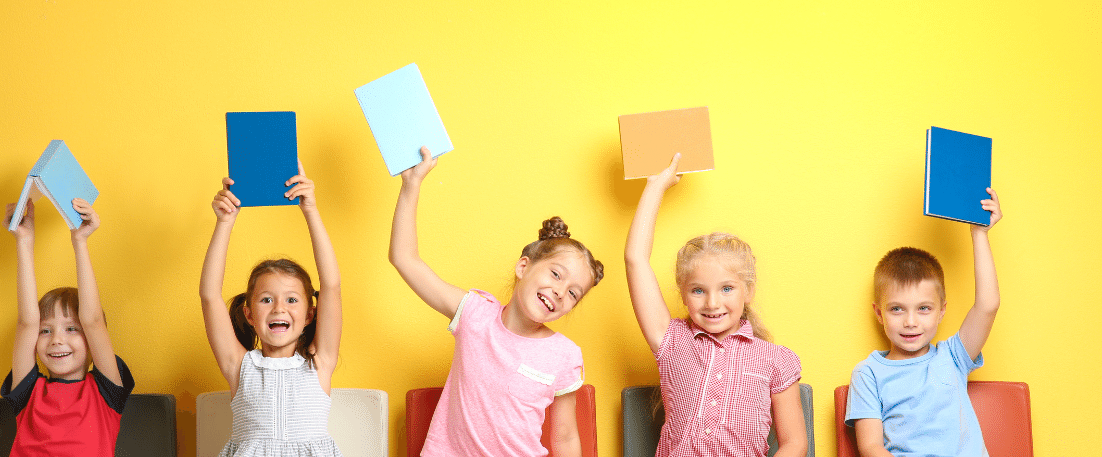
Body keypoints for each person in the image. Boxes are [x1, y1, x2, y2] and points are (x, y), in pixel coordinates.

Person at [389, 147, 604, 457]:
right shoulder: (473, 314)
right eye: (556, 274)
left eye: (573, 292)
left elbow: (566, 436)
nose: (561, 291)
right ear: (523, 267)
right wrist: (412, 185)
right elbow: (404, 258)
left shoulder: (565, 355)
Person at [625, 154, 807, 457]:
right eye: (698, 290)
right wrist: (656, 187)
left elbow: (795, 443)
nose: (712, 303)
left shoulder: (777, 360)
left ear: (747, 291)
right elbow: (636, 260)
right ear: (682, 295)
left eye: (726, 288)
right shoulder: (671, 340)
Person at [845, 188, 1003, 457]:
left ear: (941, 311)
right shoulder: (868, 373)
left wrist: (979, 233)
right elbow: (871, 448)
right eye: (897, 309)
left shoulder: (953, 356)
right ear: (879, 313)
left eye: (923, 309)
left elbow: (988, 305)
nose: (910, 322)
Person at [200, 165, 343, 456]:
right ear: (249, 314)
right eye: (266, 300)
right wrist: (225, 222)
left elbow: (332, 286)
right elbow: (209, 297)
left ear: (310, 314)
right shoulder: (240, 366)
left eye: (292, 300)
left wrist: (311, 210)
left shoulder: (320, 363)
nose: (279, 308)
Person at [1, 198, 134, 456]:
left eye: (71, 328)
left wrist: (80, 241)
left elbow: (93, 321)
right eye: (46, 330)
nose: (56, 340)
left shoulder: (105, 393)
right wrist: (24, 241)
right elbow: (27, 322)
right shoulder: (28, 393)